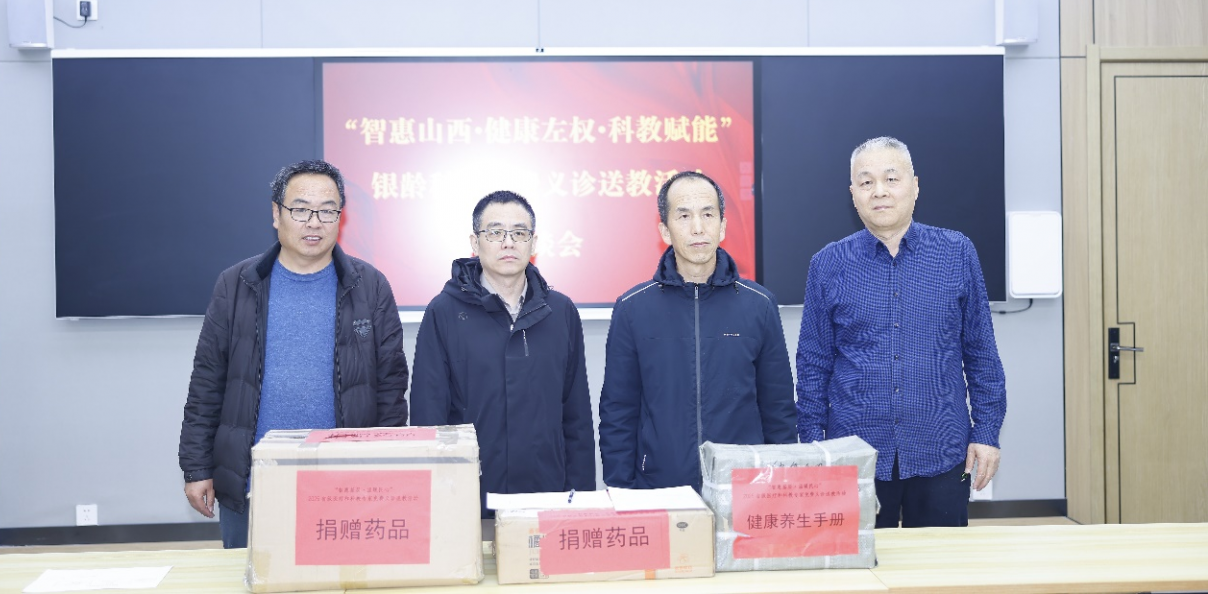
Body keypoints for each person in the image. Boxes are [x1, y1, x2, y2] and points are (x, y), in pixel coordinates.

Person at [178, 160, 409, 548]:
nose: (314, 222)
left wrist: (386, 464)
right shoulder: (236, 285)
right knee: (250, 574)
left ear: (340, 216)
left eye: (327, 211)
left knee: (343, 575)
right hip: (253, 479)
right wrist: (197, 467)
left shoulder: (369, 286)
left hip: (345, 484)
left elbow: (390, 388)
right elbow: (207, 383)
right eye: (300, 210)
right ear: (276, 213)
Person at [795, 136, 1006, 528]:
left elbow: (981, 352)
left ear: (915, 185)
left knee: (940, 562)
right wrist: (811, 444)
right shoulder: (827, 264)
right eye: (866, 182)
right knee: (860, 565)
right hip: (854, 456)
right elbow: (813, 363)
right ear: (853, 194)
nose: (879, 191)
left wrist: (987, 432)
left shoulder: (957, 252)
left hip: (942, 448)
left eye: (891, 178)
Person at [599, 171, 796, 491]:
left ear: (723, 225)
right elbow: (618, 412)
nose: (698, 228)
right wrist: (621, 491)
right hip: (660, 487)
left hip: (743, 489)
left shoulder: (759, 305)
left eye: (708, 214)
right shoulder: (633, 308)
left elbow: (779, 410)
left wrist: (779, 487)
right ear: (665, 230)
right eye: (684, 216)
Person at [410, 190, 595, 515]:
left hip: (547, 495)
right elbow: (429, 415)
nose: (508, 243)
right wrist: (438, 502)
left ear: (533, 244)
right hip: (470, 497)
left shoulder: (560, 312)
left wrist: (580, 502)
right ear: (475, 241)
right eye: (495, 233)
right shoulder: (444, 312)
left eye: (519, 233)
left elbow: (576, 415)